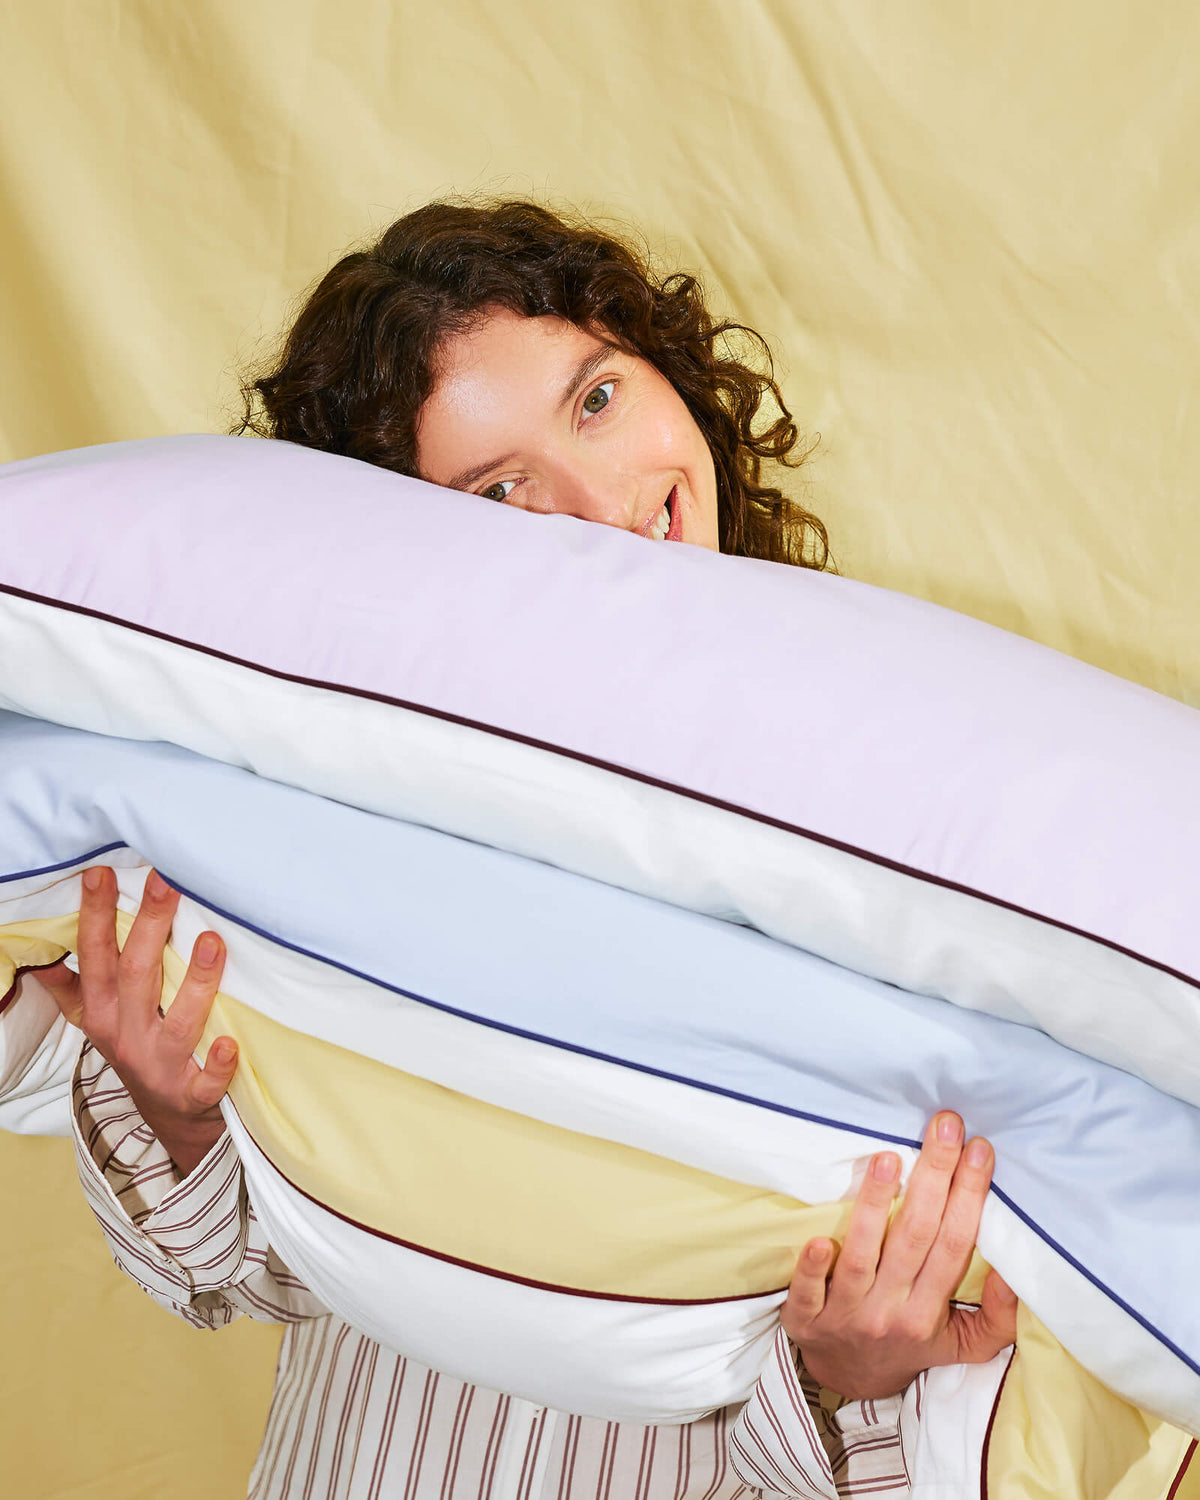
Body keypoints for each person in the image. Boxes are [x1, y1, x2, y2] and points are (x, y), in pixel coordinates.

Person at [37, 197, 1019, 1499]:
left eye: (597, 399)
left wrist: (857, 1376)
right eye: (500, 492)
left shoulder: (901, 796)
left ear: (670, 374)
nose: (599, 507)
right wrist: (181, 1118)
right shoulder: (330, 812)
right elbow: (228, 1279)